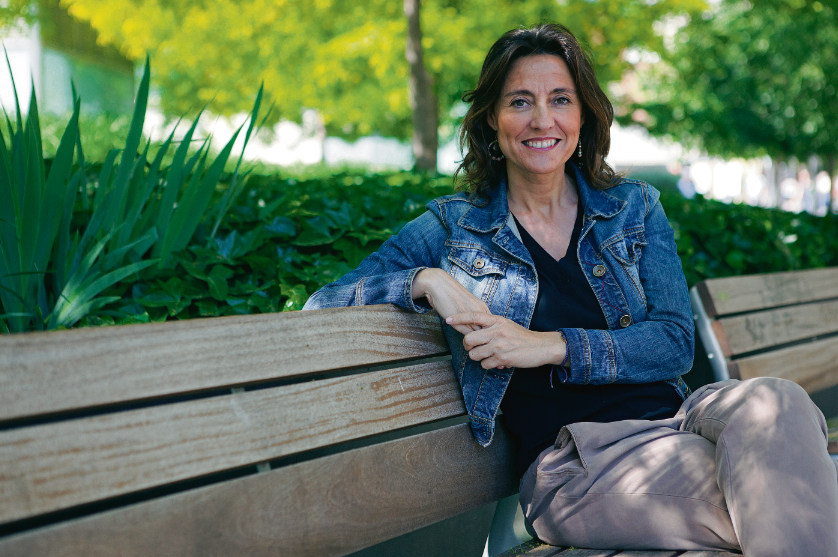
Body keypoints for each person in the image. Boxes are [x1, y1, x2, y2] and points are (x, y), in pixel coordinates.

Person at [303, 23, 838, 556]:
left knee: (778, 400)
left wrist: (548, 344)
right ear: (492, 118)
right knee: (788, 494)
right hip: (579, 465)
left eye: (561, 99)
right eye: (520, 101)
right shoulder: (454, 229)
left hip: (684, 422)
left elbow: (674, 341)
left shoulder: (633, 208)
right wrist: (427, 280)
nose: (542, 120)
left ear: (583, 116)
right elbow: (323, 302)